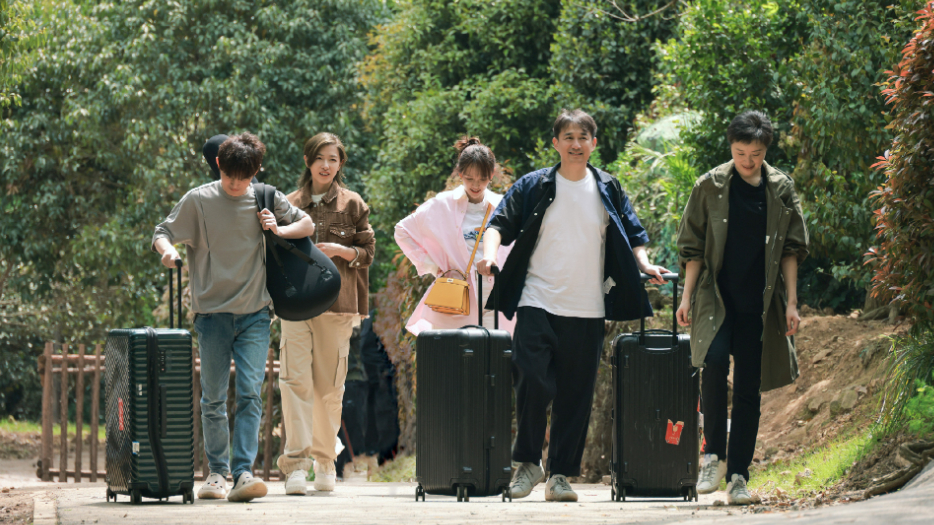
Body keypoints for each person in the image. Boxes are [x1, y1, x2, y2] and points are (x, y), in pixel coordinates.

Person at [477, 109, 670, 502]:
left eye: (583, 137)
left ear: (593, 144)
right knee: (532, 378)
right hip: (537, 300)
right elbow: (498, 225)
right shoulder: (534, 184)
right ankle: (528, 463)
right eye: (568, 137)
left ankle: (560, 475)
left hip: (587, 308)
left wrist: (645, 264)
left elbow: (634, 234)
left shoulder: (608, 187)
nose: (576, 144)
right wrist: (488, 255)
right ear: (556, 143)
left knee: (575, 395)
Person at [152, 132, 315, 502]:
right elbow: (163, 231)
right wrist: (167, 251)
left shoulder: (265, 196)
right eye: (229, 176)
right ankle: (216, 474)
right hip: (211, 315)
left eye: (244, 178)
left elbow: (307, 225)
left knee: (249, 395)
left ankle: (243, 473)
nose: (236, 184)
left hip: (255, 314)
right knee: (212, 399)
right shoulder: (198, 199)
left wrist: (278, 228)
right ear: (219, 165)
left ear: (256, 171)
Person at [676, 110, 808, 505]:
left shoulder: (781, 188)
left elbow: (791, 250)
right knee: (713, 363)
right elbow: (692, 247)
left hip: (759, 304)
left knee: (749, 387)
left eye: (756, 154)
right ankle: (713, 457)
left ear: (766, 150)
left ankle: (738, 477)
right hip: (716, 299)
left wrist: (792, 303)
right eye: (740, 153)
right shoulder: (710, 185)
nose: (748, 161)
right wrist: (686, 297)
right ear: (731, 147)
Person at [276, 132, 376, 495]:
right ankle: (296, 465)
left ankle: (324, 461)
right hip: (295, 305)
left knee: (329, 389)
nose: (326, 165)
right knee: (294, 382)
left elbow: (368, 251)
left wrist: (341, 251)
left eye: (333, 159)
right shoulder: (287, 203)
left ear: (340, 164)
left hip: (337, 306)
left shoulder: (353, 204)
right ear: (308, 161)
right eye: (319, 158)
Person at [395, 136, 516, 334]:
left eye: (482, 179)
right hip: (454, 297)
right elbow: (402, 230)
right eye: (469, 178)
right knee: (452, 351)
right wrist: (433, 266)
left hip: (492, 296)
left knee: (492, 350)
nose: (476, 185)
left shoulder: (503, 206)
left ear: (492, 175)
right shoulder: (442, 204)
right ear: (460, 174)